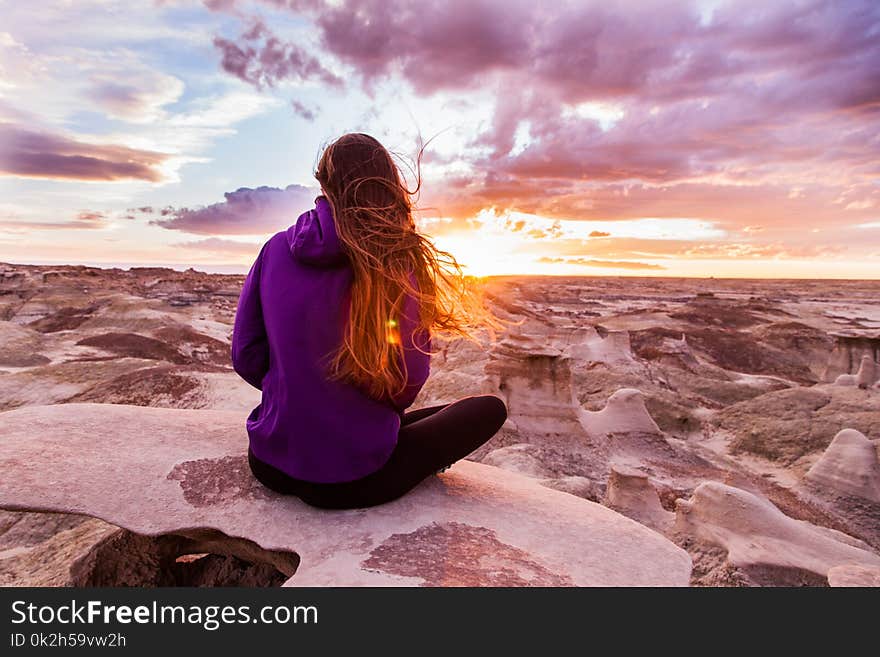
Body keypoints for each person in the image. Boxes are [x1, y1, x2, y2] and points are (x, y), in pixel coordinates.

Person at [232, 132, 507, 509]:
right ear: (389, 185)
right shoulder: (395, 259)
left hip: (268, 461)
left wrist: (297, 389)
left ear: (324, 182)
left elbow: (246, 354)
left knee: (418, 420)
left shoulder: (275, 247)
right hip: (351, 480)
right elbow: (406, 382)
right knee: (488, 409)